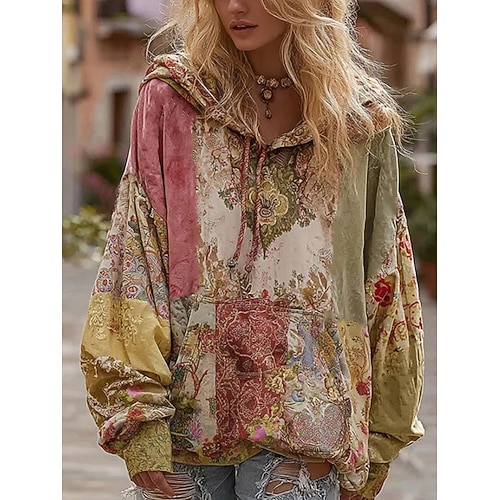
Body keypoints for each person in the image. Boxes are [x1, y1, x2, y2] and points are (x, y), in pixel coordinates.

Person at [80, 0, 425, 499]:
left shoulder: (360, 120)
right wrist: (137, 416)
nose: (235, 7)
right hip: (186, 412)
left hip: (312, 422)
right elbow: (134, 255)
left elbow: (385, 276)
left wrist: (379, 438)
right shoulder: (174, 97)